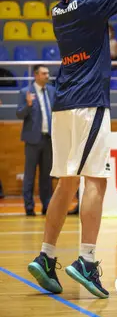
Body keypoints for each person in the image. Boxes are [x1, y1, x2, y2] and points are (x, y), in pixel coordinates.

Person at [28, 0, 117, 298]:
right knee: (95, 180)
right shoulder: (91, 6)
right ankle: (86, 260)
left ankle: (47, 256)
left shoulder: (60, 9)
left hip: (64, 103)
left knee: (66, 183)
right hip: (89, 102)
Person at [16, 65, 55, 216]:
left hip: (48, 139)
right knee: (30, 175)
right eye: (44, 73)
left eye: (48, 73)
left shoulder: (51, 91)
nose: (47, 76)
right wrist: (28, 105)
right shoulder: (25, 92)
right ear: (36, 75)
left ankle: (47, 206)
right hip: (32, 140)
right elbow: (19, 114)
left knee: (47, 176)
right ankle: (29, 207)